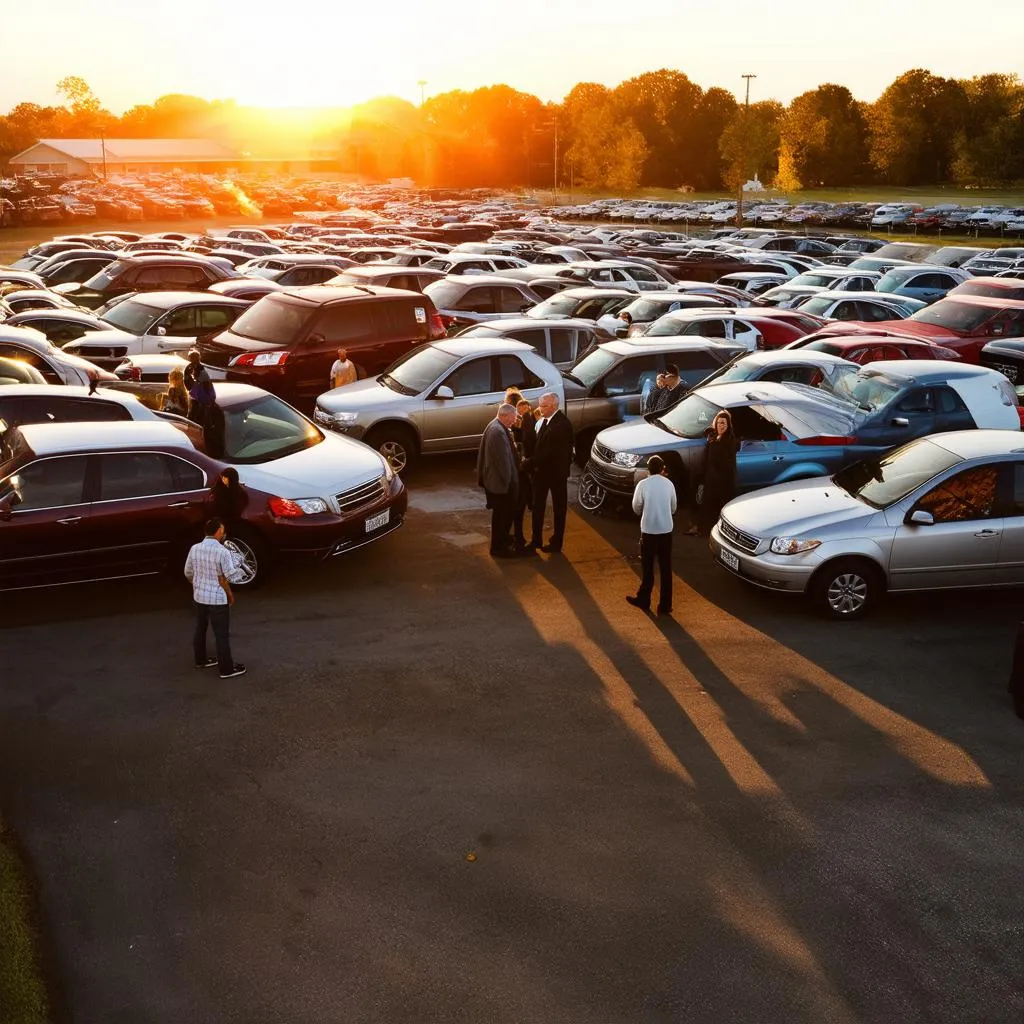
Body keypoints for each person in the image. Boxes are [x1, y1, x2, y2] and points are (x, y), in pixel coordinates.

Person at [184, 517, 246, 679]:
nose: (223, 533)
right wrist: (241, 567)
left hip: (199, 597)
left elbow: (188, 572)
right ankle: (226, 669)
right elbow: (229, 577)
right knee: (221, 635)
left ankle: (201, 660)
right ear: (219, 531)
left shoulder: (195, 548)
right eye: (223, 530)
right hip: (217, 600)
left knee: (200, 628)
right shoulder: (222, 552)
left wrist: (197, 584)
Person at [626, 455, 677, 615]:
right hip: (666, 531)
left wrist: (645, 512)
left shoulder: (643, 484)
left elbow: (636, 507)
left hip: (648, 531)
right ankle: (665, 605)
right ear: (662, 469)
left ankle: (644, 599)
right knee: (666, 568)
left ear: (648, 469)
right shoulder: (669, 484)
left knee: (648, 568)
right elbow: (673, 507)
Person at [527, 392, 574, 554]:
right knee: (537, 506)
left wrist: (527, 463)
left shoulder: (561, 425)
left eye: (544, 406)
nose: (540, 409)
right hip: (543, 474)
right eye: (540, 405)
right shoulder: (546, 421)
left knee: (559, 509)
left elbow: (547, 452)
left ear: (554, 406)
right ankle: (536, 539)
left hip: (555, 475)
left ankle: (556, 542)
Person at [477, 404, 520, 558]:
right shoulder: (498, 432)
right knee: (502, 515)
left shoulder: (495, 426)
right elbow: (503, 462)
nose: (515, 421)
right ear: (505, 416)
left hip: (496, 481)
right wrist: (511, 483)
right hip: (501, 484)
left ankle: (503, 540)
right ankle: (498, 547)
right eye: (514, 417)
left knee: (501, 515)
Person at [697, 409, 740, 536]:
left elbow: (726, 463)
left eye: (724, 424)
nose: (721, 426)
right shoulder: (714, 438)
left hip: (723, 482)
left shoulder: (730, 441)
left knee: (719, 509)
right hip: (710, 479)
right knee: (708, 508)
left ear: (728, 425)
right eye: (719, 423)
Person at [511, 397, 537, 552]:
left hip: (522, 473)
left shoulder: (524, 422)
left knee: (519, 508)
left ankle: (518, 537)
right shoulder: (528, 421)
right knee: (521, 506)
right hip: (523, 474)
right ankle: (519, 538)